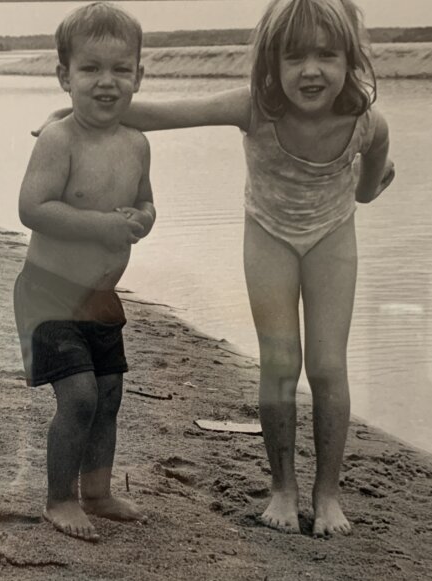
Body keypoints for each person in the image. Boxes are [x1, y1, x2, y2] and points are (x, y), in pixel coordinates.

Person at [36, 0, 394, 536]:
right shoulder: (254, 107)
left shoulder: (365, 120)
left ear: (351, 59)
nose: (311, 70)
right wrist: (67, 116)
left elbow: (370, 179)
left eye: (327, 55)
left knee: (325, 366)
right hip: (268, 236)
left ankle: (327, 496)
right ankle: (282, 489)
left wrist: (371, 186)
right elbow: (162, 114)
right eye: (293, 57)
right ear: (271, 64)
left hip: (333, 237)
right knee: (279, 361)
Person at [15, 1, 155, 542]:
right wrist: (101, 226)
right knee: (78, 397)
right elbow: (33, 208)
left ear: (139, 77)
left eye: (121, 69)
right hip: (48, 293)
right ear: (63, 77)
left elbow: (146, 203)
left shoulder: (137, 144)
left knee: (111, 391)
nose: (107, 82)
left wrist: (140, 220)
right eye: (91, 69)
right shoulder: (60, 139)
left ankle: (97, 491)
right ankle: (59, 499)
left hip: (100, 297)